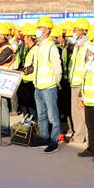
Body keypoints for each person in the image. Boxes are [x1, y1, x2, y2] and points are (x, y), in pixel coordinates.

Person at [33, 16, 63, 154]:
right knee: (41, 116)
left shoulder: (51, 47)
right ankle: (43, 138)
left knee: (53, 117)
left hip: (49, 88)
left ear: (46, 30)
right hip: (38, 87)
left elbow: (57, 69)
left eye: (40, 28)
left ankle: (53, 142)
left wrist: (56, 83)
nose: (38, 30)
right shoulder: (38, 46)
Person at [68, 18, 91, 144]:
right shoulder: (77, 46)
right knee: (76, 113)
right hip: (74, 83)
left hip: (82, 84)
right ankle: (79, 136)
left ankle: (89, 138)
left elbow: (89, 67)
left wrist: (84, 85)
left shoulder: (88, 46)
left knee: (83, 113)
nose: (74, 32)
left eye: (76, 30)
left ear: (83, 31)